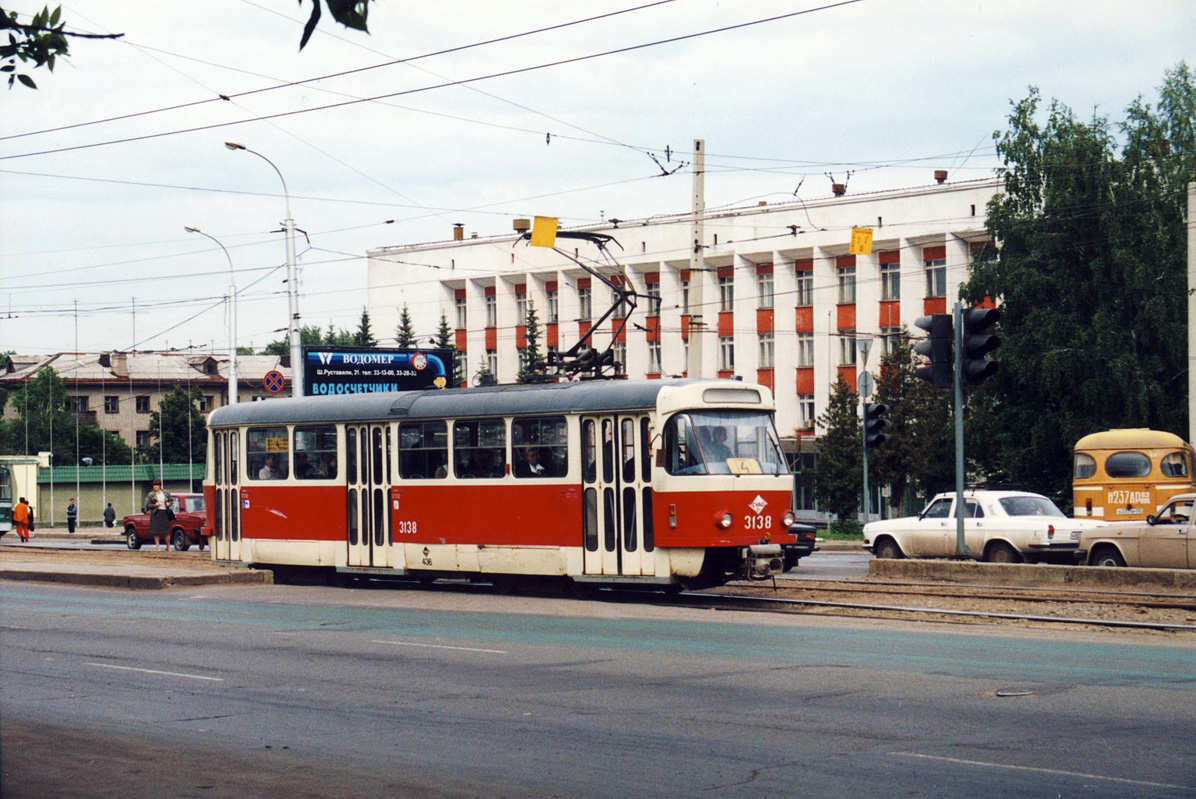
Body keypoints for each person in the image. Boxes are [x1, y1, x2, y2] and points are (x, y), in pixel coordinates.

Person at [143, 479, 174, 552]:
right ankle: (158, 547)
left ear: (160, 486)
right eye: (154, 485)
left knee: (166, 531)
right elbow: (147, 505)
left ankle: (168, 546)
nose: (155, 487)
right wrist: (154, 505)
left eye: (157, 485)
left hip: (164, 512)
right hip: (156, 513)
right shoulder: (151, 494)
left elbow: (171, 500)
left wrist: (168, 504)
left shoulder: (166, 493)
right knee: (156, 531)